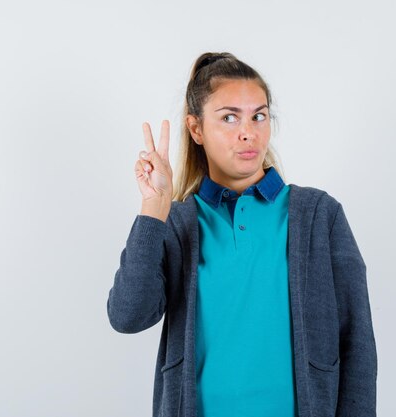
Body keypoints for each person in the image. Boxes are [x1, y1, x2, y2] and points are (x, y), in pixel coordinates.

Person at [107, 52, 377, 417]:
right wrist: (155, 208)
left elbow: (356, 340)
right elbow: (127, 316)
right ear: (196, 129)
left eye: (258, 116)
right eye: (229, 117)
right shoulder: (178, 222)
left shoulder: (318, 215)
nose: (248, 131)